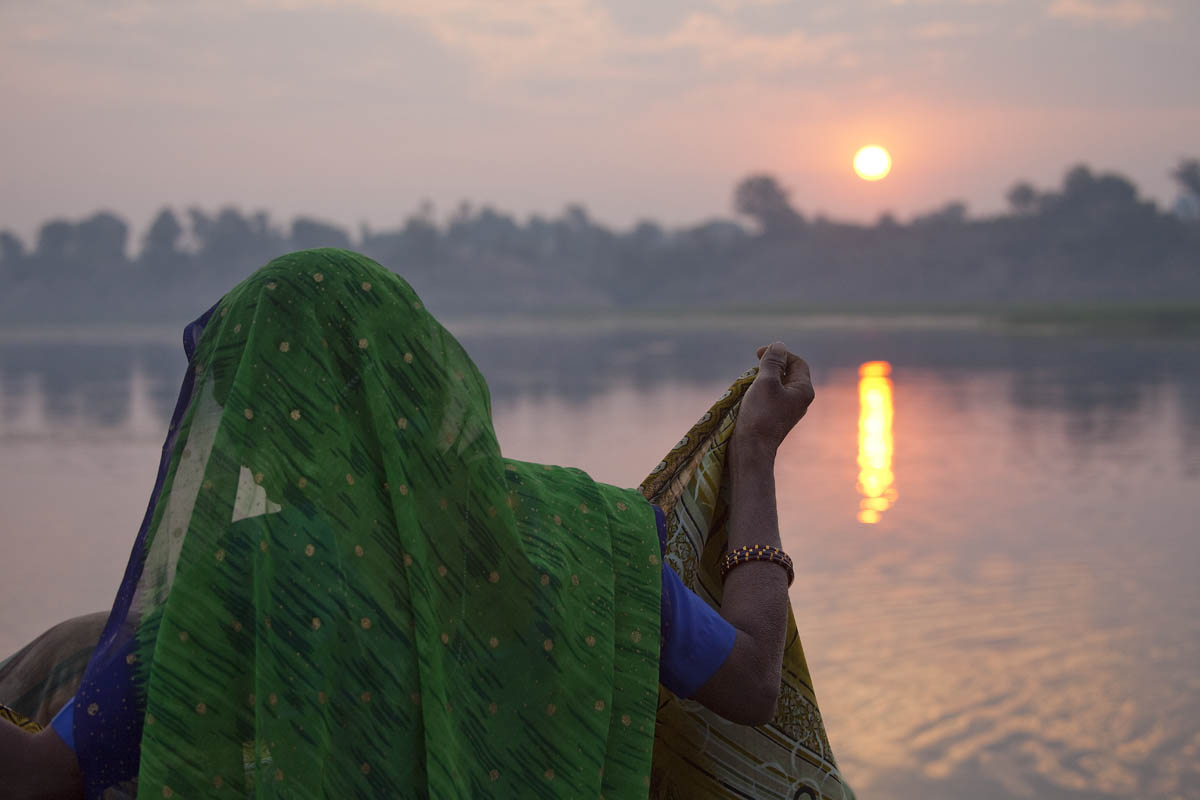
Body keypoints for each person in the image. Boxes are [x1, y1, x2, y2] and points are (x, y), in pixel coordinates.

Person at [1, 249, 820, 799]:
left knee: (65, 655)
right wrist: (754, 452)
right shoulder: (582, 537)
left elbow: (39, 778)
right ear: (423, 380)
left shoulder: (237, 584)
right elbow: (751, 684)